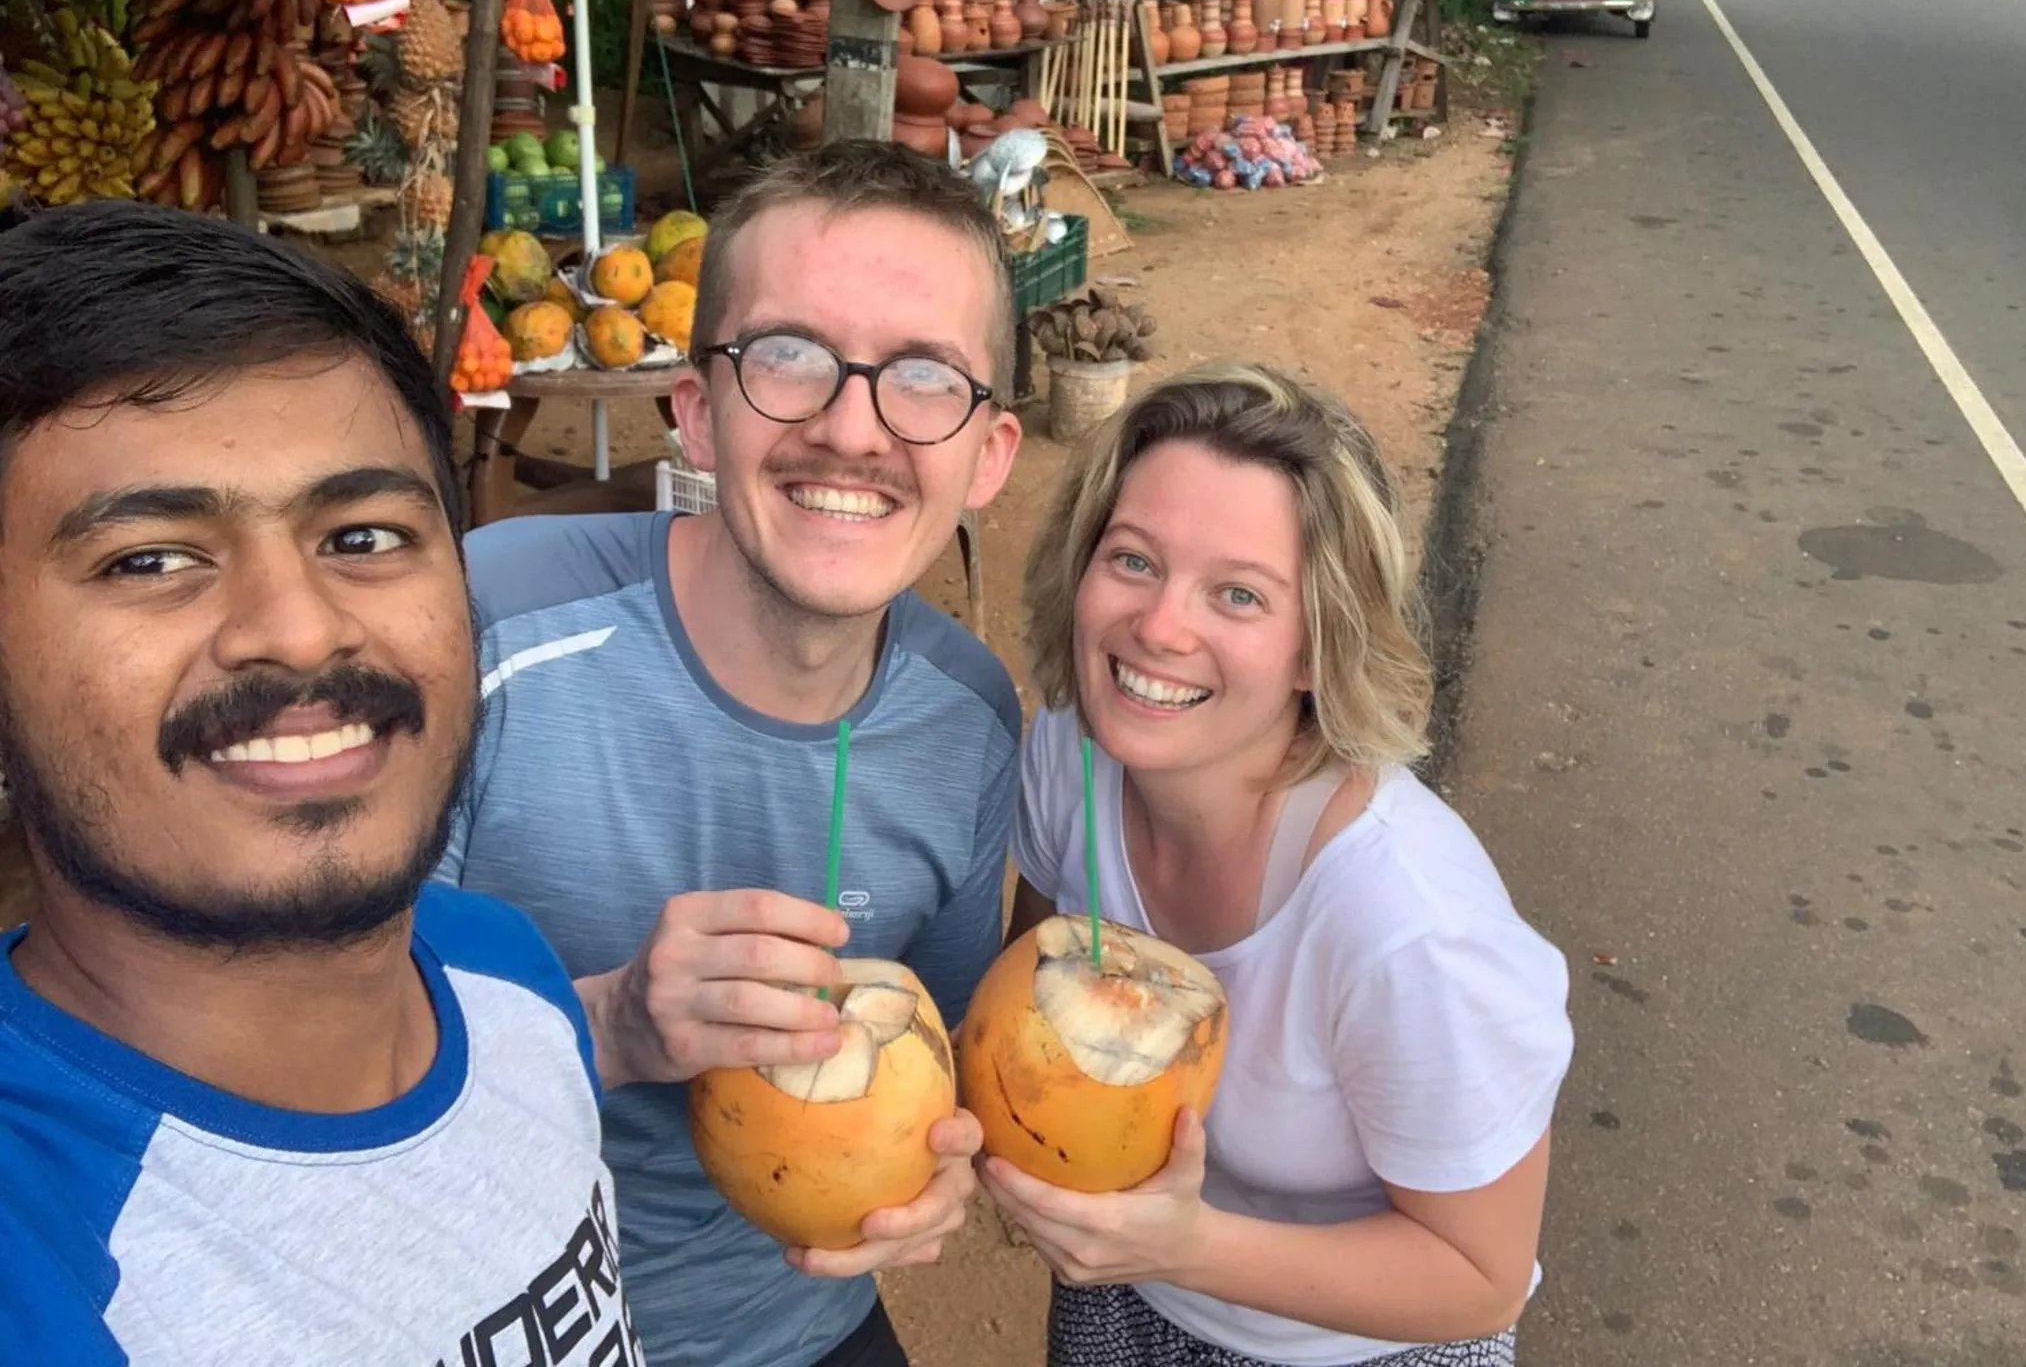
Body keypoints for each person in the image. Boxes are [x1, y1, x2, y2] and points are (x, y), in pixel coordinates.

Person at [0, 203, 643, 1364]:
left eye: (360, 536)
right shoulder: (39, 1262)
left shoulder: (501, 968)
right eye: (151, 559)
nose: (299, 633)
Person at [435, 140, 1026, 1367]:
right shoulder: (480, 632)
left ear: (988, 456)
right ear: (696, 411)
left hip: (798, 1326)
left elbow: (936, 1058)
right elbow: (271, 1037)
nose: (850, 429)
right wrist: (600, 1024)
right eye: (790, 358)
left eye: (923, 377)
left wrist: (938, 1169)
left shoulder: (967, 722)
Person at [983, 363, 1574, 1367]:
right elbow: (1024, 1005)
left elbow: (1480, 1278)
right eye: (1131, 561)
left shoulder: (1409, 926)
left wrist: (1189, 1246)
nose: (1160, 628)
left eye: (1238, 594)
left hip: (1350, 1344)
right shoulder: (1069, 757)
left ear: (1315, 648)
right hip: (1124, 1295)